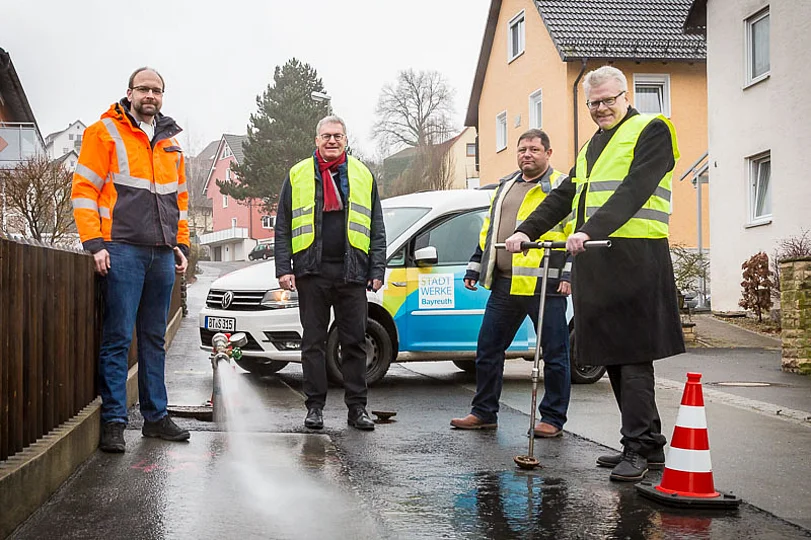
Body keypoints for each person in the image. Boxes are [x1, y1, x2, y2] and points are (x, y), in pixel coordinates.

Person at [505, 66, 684, 481]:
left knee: (633, 356)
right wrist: (525, 230)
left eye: (608, 100)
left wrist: (590, 230)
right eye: (594, 103)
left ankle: (637, 448)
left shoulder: (652, 130)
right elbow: (564, 196)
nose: (601, 108)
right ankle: (648, 445)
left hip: (637, 258)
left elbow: (635, 189)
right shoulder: (592, 146)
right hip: (600, 260)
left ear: (625, 95)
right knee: (614, 356)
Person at [72, 67, 191, 453]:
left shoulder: (171, 142)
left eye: (157, 90)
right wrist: (94, 243)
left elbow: (180, 201)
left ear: (162, 96)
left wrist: (181, 244)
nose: (150, 95)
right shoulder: (103, 132)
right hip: (121, 248)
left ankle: (156, 418)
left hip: (161, 253)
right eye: (144, 89)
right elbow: (84, 189)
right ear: (129, 92)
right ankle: (114, 422)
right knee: (119, 337)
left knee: (154, 339)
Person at [450, 129, 572, 437]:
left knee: (554, 354)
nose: (527, 154)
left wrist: (570, 274)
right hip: (505, 282)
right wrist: (475, 266)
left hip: (544, 284)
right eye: (522, 149)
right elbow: (489, 231)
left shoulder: (560, 187)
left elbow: (574, 233)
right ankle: (483, 412)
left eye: (534, 149)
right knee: (488, 348)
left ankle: (552, 419)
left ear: (548, 153)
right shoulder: (505, 185)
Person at [275, 115, 386, 431]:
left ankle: (357, 409)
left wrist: (377, 268)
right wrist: (284, 268)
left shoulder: (363, 175)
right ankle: (314, 408)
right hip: (311, 272)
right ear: (316, 140)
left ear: (346, 140)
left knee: (354, 343)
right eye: (326, 136)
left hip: (352, 273)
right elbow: (282, 225)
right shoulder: (297, 174)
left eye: (337, 135)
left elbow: (377, 226)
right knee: (313, 343)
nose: (332, 140)